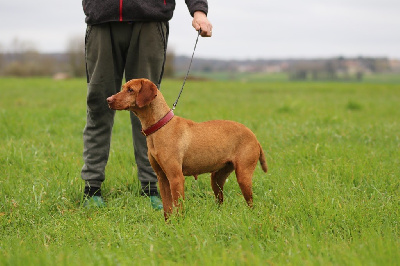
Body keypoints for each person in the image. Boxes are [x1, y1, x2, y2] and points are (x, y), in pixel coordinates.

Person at [81, 0, 212, 208]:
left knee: (147, 107)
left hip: (150, 20)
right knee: (99, 106)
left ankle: (153, 188)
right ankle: (92, 187)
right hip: (101, 19)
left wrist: (199, 10)